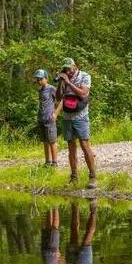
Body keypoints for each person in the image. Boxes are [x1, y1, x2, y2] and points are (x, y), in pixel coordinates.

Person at [56, 58, 97, 188]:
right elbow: (58, 98)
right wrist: (61, 83)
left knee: (84, 145)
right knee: (71, 148)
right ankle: (74, 177)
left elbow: (84, 94)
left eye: (69, 68)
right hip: (67, 117)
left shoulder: (85, 76)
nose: (68, 71)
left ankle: (92, 177)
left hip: (81, 116)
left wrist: (69, 83)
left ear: (75, 66)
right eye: (65, 69)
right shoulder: (64, 79)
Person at [33, 69, 61, 167]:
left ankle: (55, 162)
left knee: (52, 141)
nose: (39, 81)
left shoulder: (51, 88)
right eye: (37, 79)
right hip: (41, 118)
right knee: (45, 141)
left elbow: (60, 100)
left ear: (46, 78)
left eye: (41, 79)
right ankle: (47, 162)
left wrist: (55, 113)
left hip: (49, 119)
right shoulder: (40, 90)